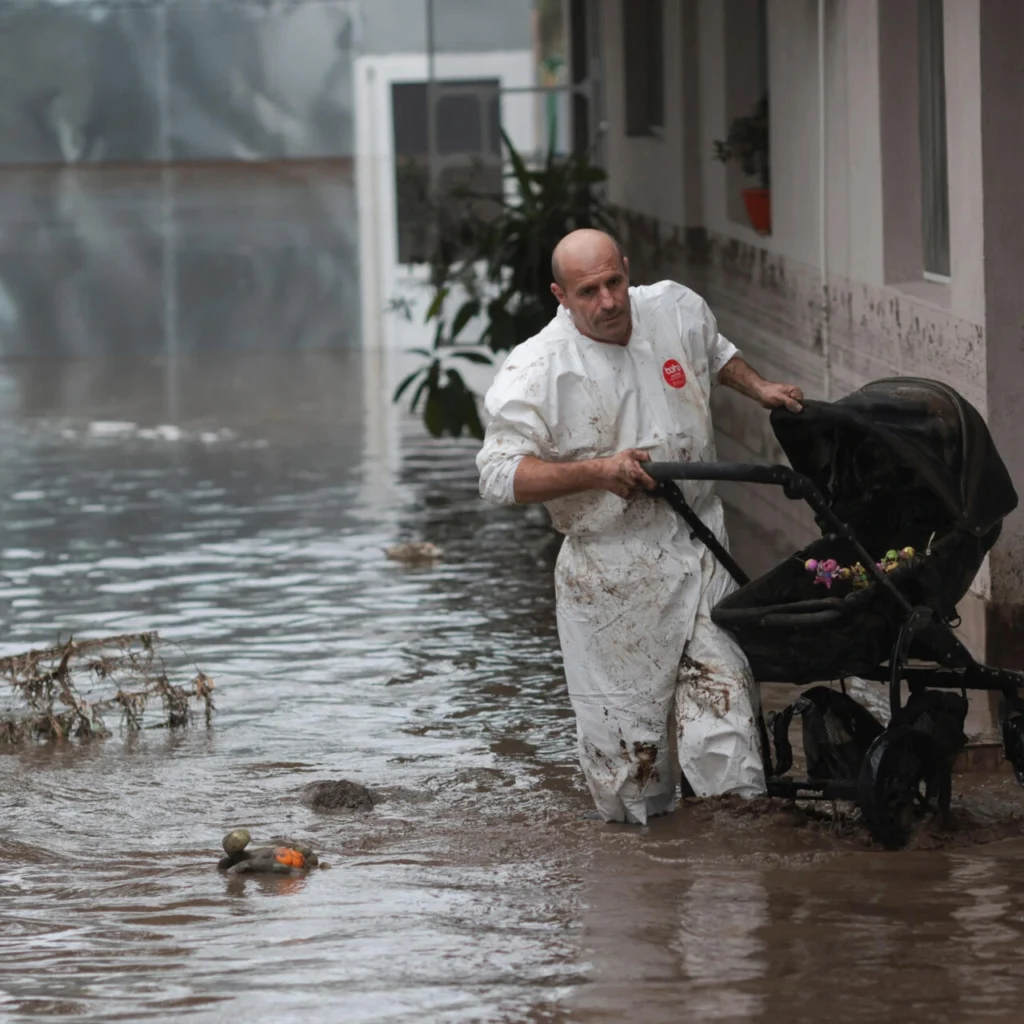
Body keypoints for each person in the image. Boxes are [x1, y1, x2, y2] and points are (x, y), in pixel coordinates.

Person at [475, 229, 804, 825]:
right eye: (588, 291)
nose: (607, 301)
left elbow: (715, 349)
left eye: (614, 282)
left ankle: (732, 876)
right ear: (561, 295)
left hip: (699, 541)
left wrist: (761, 390)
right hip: (611, 573)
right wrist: (598, 472)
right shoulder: (538, 368)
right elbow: (499, 476)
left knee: (724, 720)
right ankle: (641, 877)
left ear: (627, 270)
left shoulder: (675, 307)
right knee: (632, 766)